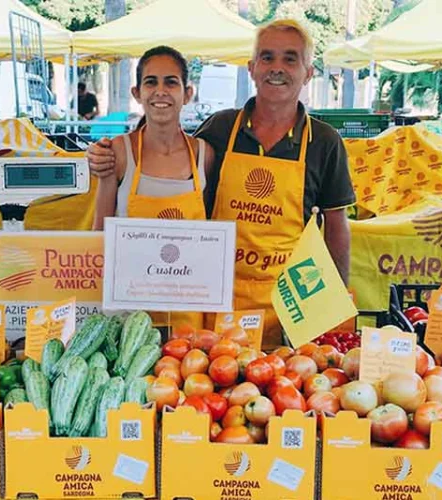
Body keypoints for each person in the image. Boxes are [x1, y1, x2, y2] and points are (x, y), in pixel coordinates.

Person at [87, 20, 355, 350]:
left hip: (289, 305)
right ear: (252, 68)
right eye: (267, 58)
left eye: (290, 58)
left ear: (308, 72)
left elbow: (337, 227)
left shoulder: (324, 142)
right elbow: (169, 153)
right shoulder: (221, 129)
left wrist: (331, 307)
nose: (276, 69)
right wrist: (106, 156)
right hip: (214, 300)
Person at [91, 45, 215, 330]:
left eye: (171, 82)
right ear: (137, 93)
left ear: (188, 93)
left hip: (186, 312)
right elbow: (99, 232)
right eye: (151, 82)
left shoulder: (204, 155)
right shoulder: (118, 151)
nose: (161, 91)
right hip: (128, 311)